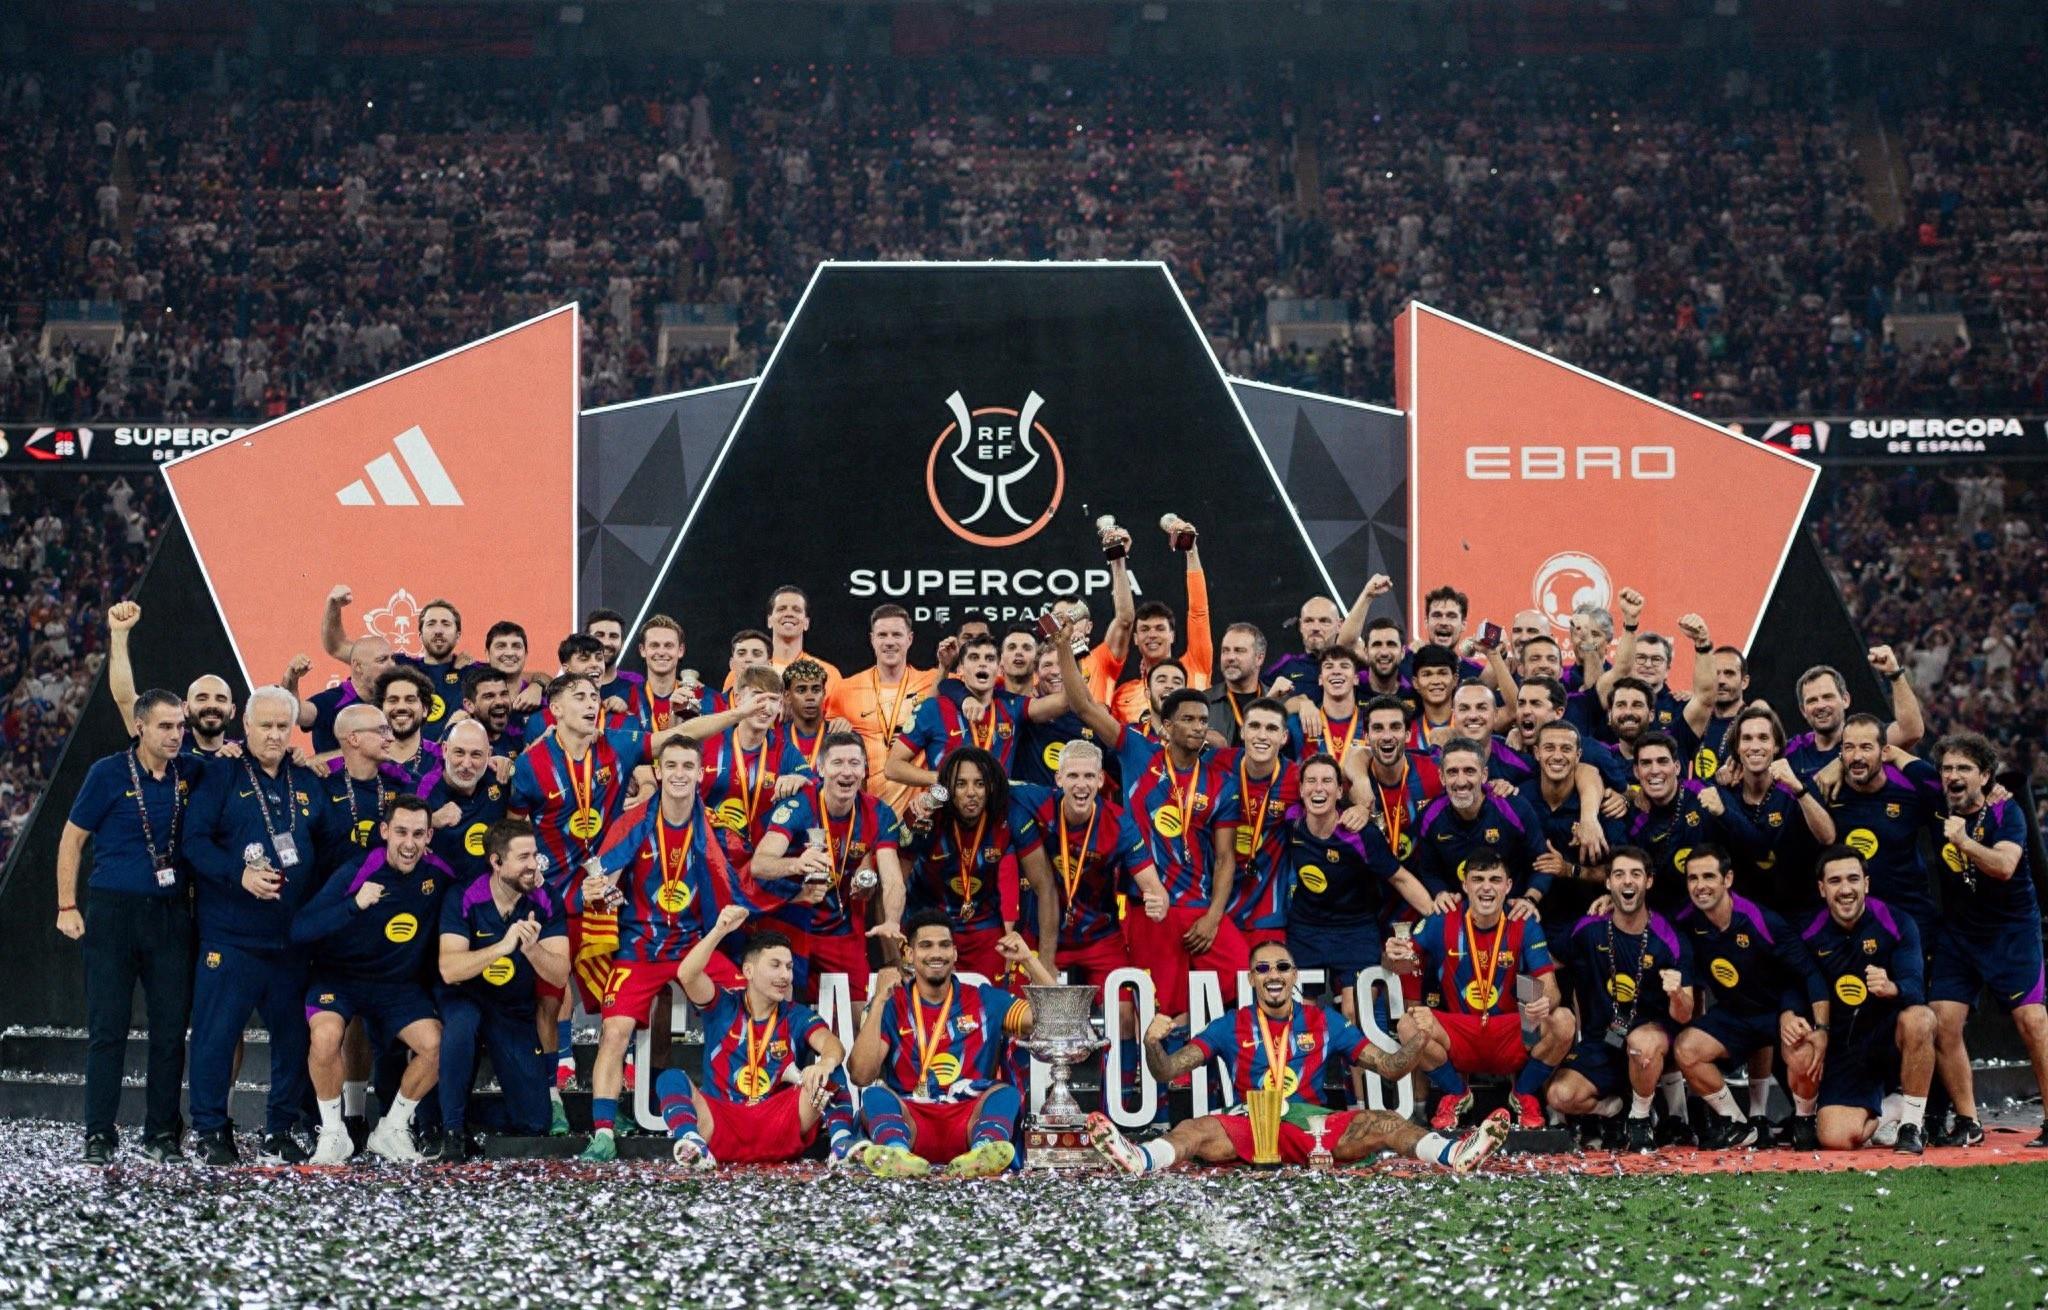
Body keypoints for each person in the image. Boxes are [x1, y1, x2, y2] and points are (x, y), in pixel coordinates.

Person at [1088, 940, 1510, 1173]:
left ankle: (1454, 1154)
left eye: (1282, 967)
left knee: (1386, 1121)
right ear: (1251, 978)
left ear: (1295, 976)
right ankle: (1141, 1158)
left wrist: (1419, 1039)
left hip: (1315, 1128)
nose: (1273, 975)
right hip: (1251, 1126)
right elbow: (1167, 1071)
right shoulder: (1229, 1024)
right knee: (1194, 1128)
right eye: (1263, 969)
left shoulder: (1326, 1022)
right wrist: (1152, 1043)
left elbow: (1391, 1067)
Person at [574, 736, 774, 1161]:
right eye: (672, 766)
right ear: (659, 772)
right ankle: (603, 1133)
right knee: (614, 1031)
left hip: (694, 948)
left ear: (700, 773)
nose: (680, 774)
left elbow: (746, 877)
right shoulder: (633, 823)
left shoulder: (716, 827)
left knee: (751, 1003)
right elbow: (604, 879)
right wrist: (598, 890)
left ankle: (747, 1107)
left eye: (688, 766)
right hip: (640, 947)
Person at [1055, 625, 1244, 1030]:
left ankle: (1202, 1054)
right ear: (1167, 726)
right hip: (1150, 910)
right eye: (1187, 719)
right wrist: (1063, 648)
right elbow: (1084, 706)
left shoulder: (1221, 782)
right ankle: (1163, 1066)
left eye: (1203, 720)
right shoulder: (1138, 752)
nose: (1197, 727)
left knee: (1243, 981)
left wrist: (1214, 917)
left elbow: (1226, 858)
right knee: (1158, 1014)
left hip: (1198, 907)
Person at [180, 686, 325, 1166]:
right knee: (216, 1037)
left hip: (290, 940)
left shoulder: (305, 779)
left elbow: (327, 844)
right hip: (232, 936)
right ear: (245, 726)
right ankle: (210, 1130)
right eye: (265, 725)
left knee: (292, 1040)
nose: (274, 735)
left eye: (283, 726)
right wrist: (237, 874)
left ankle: (279, 1129)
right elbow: (193, 842)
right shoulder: (220, 773)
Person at [57, 689, 194, 1164]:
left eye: (180, 726)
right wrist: (66, 904)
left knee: (170, 1031)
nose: (176, 735)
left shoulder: (188, 771)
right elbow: (72, 839)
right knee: (107, 1029)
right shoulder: (108, 772)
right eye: (165, 726)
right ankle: (99, 1133)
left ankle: (161, 1134)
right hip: (113, 914)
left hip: (170, 915)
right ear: (140, 727)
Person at [291, 795, 452, 1164]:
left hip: (396, 986)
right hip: (339, 979)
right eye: (401, 832)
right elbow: (301, 928)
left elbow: (479, 892)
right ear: (384, 831)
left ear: (429, 836)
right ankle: (334, 1134)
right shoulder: (358, 870)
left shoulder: (439, 873)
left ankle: (391, 1129)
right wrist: (353, 905)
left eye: (418, 834)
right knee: (325, 1036)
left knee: (441, 1045)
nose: (409, 843)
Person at [848, 912, 1055, 1178]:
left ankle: (984, 1151)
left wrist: (1028, 960)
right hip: (912, 1122)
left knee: (1005, 1094)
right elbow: (861, 1075)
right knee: (875, 1096)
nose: (937, 953)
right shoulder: (893, 1005)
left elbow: (1054, 1017)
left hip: (970, 1121)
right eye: (926, 945)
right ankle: (897, 1153)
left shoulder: (985, 1000)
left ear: (955, 953)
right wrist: (878, 1000)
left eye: (944, 945)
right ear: (909, 954)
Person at [1384, 849, 1576, 1131]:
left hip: (1512, 1031)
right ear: (1465, 885)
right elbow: (1401, 963)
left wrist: (1543, 1002)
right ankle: (1456, 1093)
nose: (1487, 887)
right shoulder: (1442, 919)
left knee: (1563, 1021)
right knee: (1407, 1025)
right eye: (1478, 879)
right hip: (1460, 1032)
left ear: (1508, 886)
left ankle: (1523, 1094)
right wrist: (1391, 955)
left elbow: (1551, 988)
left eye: (1495, 880)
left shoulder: (1523, 922)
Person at [653, 906, 858, 1167]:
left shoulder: (795, 1014)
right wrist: (719, 931)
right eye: (775, 965)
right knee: (670, 1078)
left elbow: (831, 1044)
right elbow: (687, 974)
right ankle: (693, 1144)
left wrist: (825, 1063)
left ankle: (841, 1144)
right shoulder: (722, 1005)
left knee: (830, 1071)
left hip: (778, 1124)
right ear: (748, 971)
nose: (785, 975)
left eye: (789, 967)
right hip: (722, 1123)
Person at [1927, 732, 2048, 1149]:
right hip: (1960, 933)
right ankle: (1968, 1120)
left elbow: (2005, 865)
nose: (1953, 775)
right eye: (1947, 768)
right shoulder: (1936, 805)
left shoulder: (2005, 811)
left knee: (2032, 1022)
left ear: (1984, 776)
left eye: (1964, 768)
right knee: (1942, 1021)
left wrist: (1963, 841)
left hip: (2011, 931)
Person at [1672, 845, 1830, 1150]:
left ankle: (1804, 1119)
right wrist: (1611, 903)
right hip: (1736, 1014)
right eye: (1693, 878)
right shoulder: (1687, 920)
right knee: (1686, 1048)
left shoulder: (1761, 920)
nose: (1700, 886)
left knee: (1803, 1049)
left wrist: (1810, 1022)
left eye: (1708, 876)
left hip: (1777, 1011)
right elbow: (1650, 921)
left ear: (1728, 879)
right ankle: (1739, 1125)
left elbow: (1808, 972)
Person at [1545, 848, 1696, 1153]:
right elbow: (1545, 958)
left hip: (1650, 1040)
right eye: (1619, 874)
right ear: (1608, 883)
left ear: (1648, 882)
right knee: (1560, 1095)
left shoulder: (1669, 938)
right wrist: (1539, 993)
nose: (1627, 881)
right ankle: (1616, 1110)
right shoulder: (1589, 928)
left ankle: (1640, 1119)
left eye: (1635, 874)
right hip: (1605, 1040)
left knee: (1641, 1044)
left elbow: (1684, 1015)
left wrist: (1677, 994)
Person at [436, 819, 568, 1157]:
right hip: (466, 997)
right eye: (523, 858)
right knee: (460, 1027)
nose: (533, 865)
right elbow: (450, 969)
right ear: (496, 862)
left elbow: (559, 975)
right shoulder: (464, 896)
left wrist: (533, 950)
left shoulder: (546, 898)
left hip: (512, 1007)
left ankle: (461, 1118)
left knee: (535, 1122)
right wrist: (502, 947)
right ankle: (451, 1131)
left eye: (534, 855)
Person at [1010, 739, 1168, 1016]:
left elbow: (1155, 890)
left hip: (1100, 937)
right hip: (1041, 934)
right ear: (1058, 779)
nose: (1081, 785)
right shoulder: (1036, 802)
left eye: (1088, 776)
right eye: (1072, 776)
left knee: (1124, 1017)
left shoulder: (1119, 824)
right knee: (1022, 1015)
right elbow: (992, 783)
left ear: (1100, 780)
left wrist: (1158, 904)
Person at [1795, 846, 1936, 1154]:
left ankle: (1912, 1126)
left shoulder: (1897, 922)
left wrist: (1891, 987)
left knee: (1921, 1018)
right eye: (1835, 881)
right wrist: (1789, 1016)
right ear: (1822, 888)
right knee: (1836, 1138)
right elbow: (1795, 985)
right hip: (1843, 1047)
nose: (1846, 889)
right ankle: (1893, 1108)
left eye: (1853, 879)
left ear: (1866, 884)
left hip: (1888, 1039)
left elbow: (1916, 988)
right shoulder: (1808, 931)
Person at [1282, 754, 1437, 1024]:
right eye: (1311, 781)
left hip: (1354, 930)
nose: (1319, 788)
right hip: (1306, 929)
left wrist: (1438, 918)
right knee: (1300, 1016)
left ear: (1340, 791)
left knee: (1355, 1012)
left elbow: (1401, 879)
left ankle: (1354, 1053)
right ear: (1301, 789)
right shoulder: (1291, 821)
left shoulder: (1361, 834)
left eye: (1327, 781)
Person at [752, 731, 908, 999]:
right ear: (821, 769)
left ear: (864, 769)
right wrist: (796, 864)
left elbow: (893, 880)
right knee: (783, 1011)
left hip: (839, 928)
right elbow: (759, 864)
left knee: (861, 1011)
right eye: (837, 763)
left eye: (854, 763)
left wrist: (893, 921)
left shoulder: (879, 813)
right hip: (790, 924)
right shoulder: (800, 805)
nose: (846, 772)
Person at [897, 746, 1059, 978]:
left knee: (990, 1000)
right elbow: (895, 884)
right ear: (948, 788)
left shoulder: (1011, 813)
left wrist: (1046, 960)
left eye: (979, 783)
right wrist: (893, 959)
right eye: (961, 784)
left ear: (991, 786)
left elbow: (1045, 885)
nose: (971, 792)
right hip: (927, 923)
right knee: (927, 1000)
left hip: (983, 925)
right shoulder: (926, 815)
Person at [1698, 705, 1833, 916]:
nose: (1755, 746)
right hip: (1745, 916)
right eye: (1747, 739)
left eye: (1763, 738)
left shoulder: (1797, 785)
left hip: (1799, 912)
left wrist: (1798, 790)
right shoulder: (1722, 793)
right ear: (1737, 747)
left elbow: (1828, 837)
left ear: (1776, 745)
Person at [885, 633, 1066, 787]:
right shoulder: (933, 708)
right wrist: (943, 779)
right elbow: (892, 768)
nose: (982, 664)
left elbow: (1066, 701)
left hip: (998, 814)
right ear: (961, 669)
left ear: (999, 669)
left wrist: (1069, 650)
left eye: (990, 659)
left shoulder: (1013, 706)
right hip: (948, 813)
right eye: (974, 657)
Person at [1817, 715, 1943, 935]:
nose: (1857, 756)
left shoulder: (1907, 788)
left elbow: (1942, 789)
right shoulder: (1826, 787)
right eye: (1849, 748)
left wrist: (1899, 754)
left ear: (1884, 752)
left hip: (1912, 915)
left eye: (1866, 747)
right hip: (1853, 921)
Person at [824, 604, 938, 812]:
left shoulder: (932, 681)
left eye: (897, 635)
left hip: (918, 812)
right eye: (882, 635)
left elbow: (981, 684)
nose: (889, 642)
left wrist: (970, 700)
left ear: (910, 638)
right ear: (872, 639)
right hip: (865, 811)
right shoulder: (845, 689)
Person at [1412, 738, 1548, 914]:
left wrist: (1529, 899)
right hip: (1459, 913)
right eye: (1452, 772)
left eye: (1469, 771)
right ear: (1442, 777)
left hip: (1512, 910)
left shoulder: (1514, 808)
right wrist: (1440, 893)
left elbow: (1543, 862)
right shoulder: (1430, 817)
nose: (1461, 781)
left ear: (1484, 775)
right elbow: (1429, 871)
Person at [321, 586, 473, 742]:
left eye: (446, 624)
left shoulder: (473, 672)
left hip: (449, 756)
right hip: (395, 755)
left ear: (458, 635)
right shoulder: (396, 665)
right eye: (431, 624)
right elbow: (337, 647)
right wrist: (333, 604)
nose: (438, 630)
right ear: (420, 634)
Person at [104, 600, 239, 756]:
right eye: (202, 698)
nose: (211, 705)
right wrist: (119, 633)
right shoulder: (166, 742)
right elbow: (125, 698)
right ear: (185, 708)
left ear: (232, 710)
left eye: (221, 699)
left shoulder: (242, 756)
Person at [1222, 698, 1299, 948]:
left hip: (1268, 913)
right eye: (1254, 726)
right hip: (1217, 909)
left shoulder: (1297, 779)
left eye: (1272, 728)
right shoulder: (1216, 764)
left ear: (1284, 737)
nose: (1262, 735)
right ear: (1242, 731)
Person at [1785, 652, 1926, 784]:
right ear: (1803, 710)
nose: (1821, 705)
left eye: (1828, 697)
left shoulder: (1869, 737)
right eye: (1812, 701)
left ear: (1845, 700)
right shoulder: (1792, 750)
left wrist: (1895, 673)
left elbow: (1911, 731)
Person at [1625, 731, 1721, 914]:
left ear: (1677, 767)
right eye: (1646, 763)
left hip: (1711, 908)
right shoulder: (1634, 817)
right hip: (1663, 915)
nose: (1654, 770)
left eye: (1662, 761)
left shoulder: (1703, 794)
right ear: (1636, 771)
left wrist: (1724, 814)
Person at [417, 720, 508, 885]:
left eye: (476, 755)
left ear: (489, 754)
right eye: (459, 753)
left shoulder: (500, 778)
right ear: (445, 750)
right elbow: (394, 837)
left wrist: (510, 765)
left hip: (495, 887)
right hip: (444, 890)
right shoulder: (423, 791)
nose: (466, 764)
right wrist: (429, 821)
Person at [288, 635, 394, 755]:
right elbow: (295, 713)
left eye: (392, 658)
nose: (392, 665)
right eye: (382, 660)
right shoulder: (333, 701)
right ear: (358, 666)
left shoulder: (396, 702)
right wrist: (291, 678)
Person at [620, 614, 694, 734]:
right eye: (654, 645)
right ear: (642, 650)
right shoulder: (624, 701)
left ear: (680, 650)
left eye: (668, 646)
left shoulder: (697, 699)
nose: (661, 652)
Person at [1204, 621, 1268, 748]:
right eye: (1225, 651)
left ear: (1259, 658)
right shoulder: (1202, 703)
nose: (1230, 657)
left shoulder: (1279, 702)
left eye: (1239, 651)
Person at [376, 665, 443, 782]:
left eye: (410, 700)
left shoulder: (443, 758)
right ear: (381, 709)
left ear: (425, 709)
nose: (401, 707)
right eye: (393, 700)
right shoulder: (367, 757)